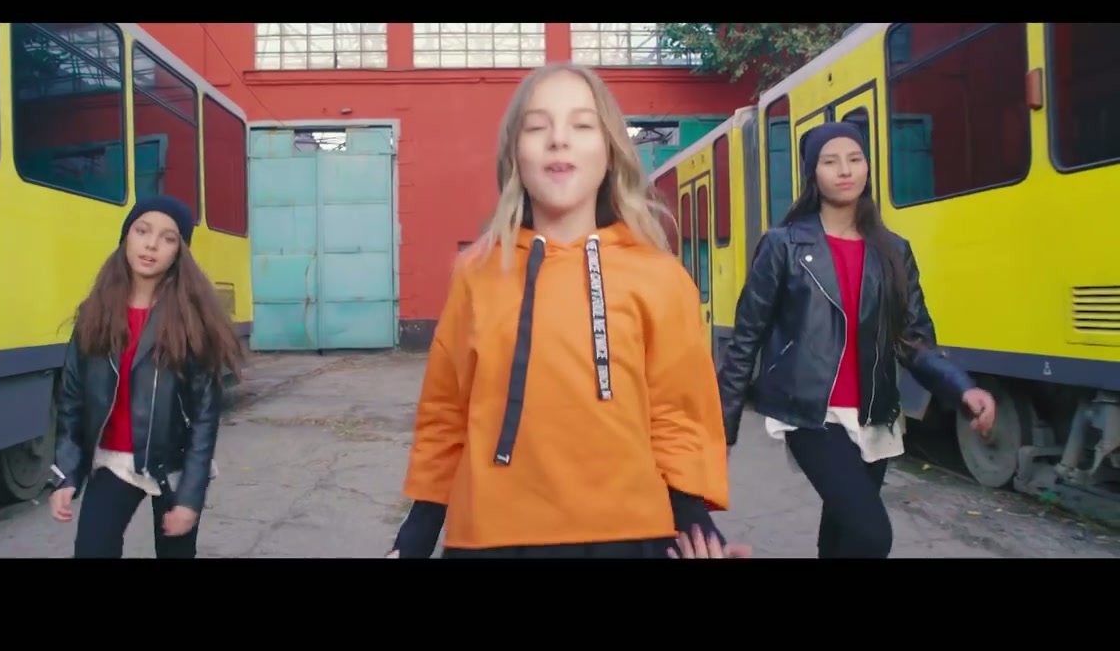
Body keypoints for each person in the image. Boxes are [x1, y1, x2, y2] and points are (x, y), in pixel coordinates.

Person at [387, 62, 744, 560]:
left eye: (581, 125)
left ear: (610, 151)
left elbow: (677, 413)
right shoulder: (477, 274)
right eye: (537, 127)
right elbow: (446, 414)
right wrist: (418, 531)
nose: (558, 139)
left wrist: (695, 522)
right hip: (489, 536)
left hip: (631, 535)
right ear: (515, 154)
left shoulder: (659, 276)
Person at [717, 122, 997, 559]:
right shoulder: (783, 246)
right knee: (871, 535)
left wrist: (962, 388)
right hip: (810, 413)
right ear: (813, 173)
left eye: (854, 159)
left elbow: (914, 339)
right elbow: (746, 337)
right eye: (830, 161)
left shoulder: (893, 250)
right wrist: (723, 426)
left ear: (867, 166)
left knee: (842, 535)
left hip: (875, 415)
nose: (845, 170)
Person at [48, 195, 244, 558]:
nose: (151, 244)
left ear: (179, 252)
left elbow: (205, 419)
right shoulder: (94, 314)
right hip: (114, 464)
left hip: (174, 465)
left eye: (168, 238)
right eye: (142, 231)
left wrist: (189, 498)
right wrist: (67, 474)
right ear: (126, 237)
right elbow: (72, 401)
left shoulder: (190, 322)